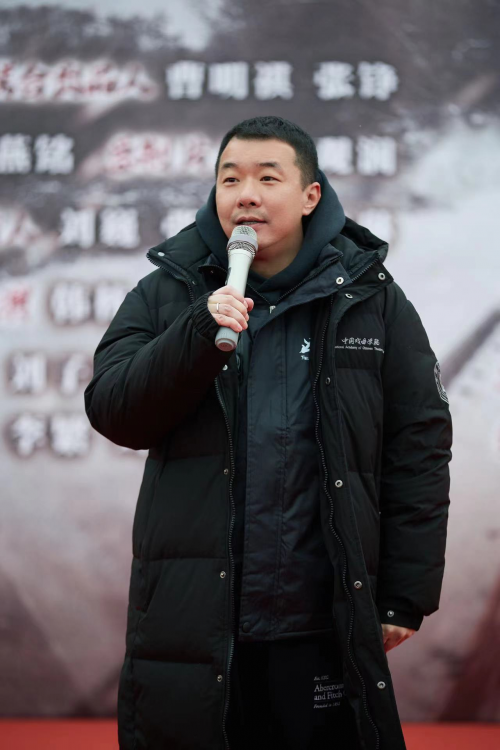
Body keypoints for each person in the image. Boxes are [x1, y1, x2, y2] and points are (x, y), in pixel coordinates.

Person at [84, 115, 453, 750]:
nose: (246, 195)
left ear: (310, 195)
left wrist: (404, 593)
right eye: (230, 179)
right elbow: (115, 411)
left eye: (267, 178)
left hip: (320, 618)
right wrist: (196, 333)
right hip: (195, 619)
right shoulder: (167, 293)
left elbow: (418, 447)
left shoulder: (372, 300)